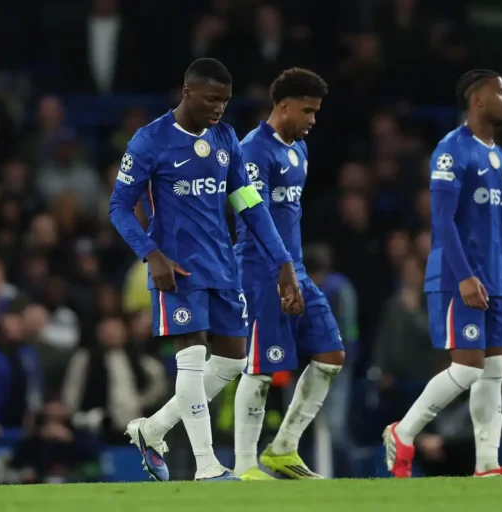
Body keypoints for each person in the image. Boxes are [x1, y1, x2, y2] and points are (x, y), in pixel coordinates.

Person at [108, 58, 304, 482]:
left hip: (222, 266)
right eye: (212, 99)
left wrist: (283, 262)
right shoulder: (150, 141)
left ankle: (153, 429)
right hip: (176, 270)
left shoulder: (226, 138)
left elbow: (249, 204)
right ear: (188, 93)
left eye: (226, 101)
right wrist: (150, 253)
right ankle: (207, 466)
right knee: (193, 358)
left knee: (232, 363)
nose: (219, 108)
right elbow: (119, 207)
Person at [382, 69, 502, 478]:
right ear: (477, 100)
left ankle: (487, 464)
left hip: (494, 279)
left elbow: (497, 230)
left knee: (494, 371)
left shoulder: (500, 155)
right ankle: (402, 432)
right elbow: (442, 221)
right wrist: (463, 276)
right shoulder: (451, 151)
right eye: (501, 92)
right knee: (467, 368)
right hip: (459, 276)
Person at [231, 68, 345, 480]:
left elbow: (287, 215)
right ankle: (245, 465)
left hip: (292, 268)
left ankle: (283, 448)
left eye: (316, 111)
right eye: (307, 110)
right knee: (260, 367)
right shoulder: (250, 152)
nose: (313, 120)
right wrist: (281, 271)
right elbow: (253, 214)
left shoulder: (299, 151)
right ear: (282, 106)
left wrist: (291, 270)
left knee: (331, 356)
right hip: (261, 269)